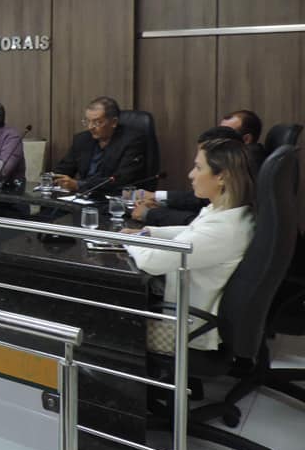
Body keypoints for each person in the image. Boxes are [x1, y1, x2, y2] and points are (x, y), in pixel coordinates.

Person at [124, 137, 255, 354]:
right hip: (189, 313)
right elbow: (192, 232)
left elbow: (151, 262)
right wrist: (149, 232)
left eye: (198, 168)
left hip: (186, 330)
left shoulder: (223, 229)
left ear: (221, 176)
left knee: (110, 325)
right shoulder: (229, 212)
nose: (191, 174)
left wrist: (129, 241)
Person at [134, 115, 264, 226]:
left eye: (199, 167)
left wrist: (152, 213)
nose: (191, 174)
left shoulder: (248, 171)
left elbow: (197, 221)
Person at [54, 96, 146, 196]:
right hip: (83, 196)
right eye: (87, 121)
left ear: (114, 122)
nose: (90, 127)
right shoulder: (82, 139)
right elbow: (63, 169)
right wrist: (54, 178)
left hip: (112, 197)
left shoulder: (132, 141)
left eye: (97, 122)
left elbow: (121, 179)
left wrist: (79, 185)